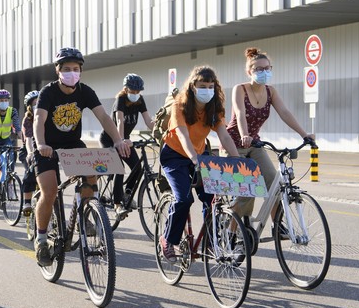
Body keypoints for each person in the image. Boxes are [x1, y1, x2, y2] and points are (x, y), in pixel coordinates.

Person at [33, 47, 130, 266]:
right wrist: (41, 144)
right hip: (47, 147)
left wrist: (117, 140)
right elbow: (39, 119)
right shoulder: (48, 92)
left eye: (75, 69)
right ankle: (40, 241)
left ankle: (85, 214)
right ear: (58, 71)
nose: (71, 73)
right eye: (66, 69)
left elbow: (104, 117)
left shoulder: (85, 91)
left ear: (81, 71)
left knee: (91, 177)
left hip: (73, 144)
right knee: (49, 192)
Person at [220, 47, 314, 222]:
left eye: (267, 68)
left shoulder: (271, 92)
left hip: (254, 144)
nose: (263, 72)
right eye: (258, 69)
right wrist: (244, 135)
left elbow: (285, 113)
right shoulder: (240, 89)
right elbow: (240, 113)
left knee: (274, 184)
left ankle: (278, 225)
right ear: (249, 71)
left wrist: (304, 134)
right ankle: (233, 232)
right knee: (247, 191)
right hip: (234, 143)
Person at [159, 65, 240, 262]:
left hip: (200, 154)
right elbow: (183, 136)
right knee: (184, 198)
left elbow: (224, 136)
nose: (207, 90)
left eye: (211, 86)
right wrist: (195, 160)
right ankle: (168, 239)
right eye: (203, 85)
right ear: (193, 87)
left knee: (212, 199)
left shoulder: (214, 108)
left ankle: (211, 242)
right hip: (175, 155)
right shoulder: (180, 106)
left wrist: (237, 159)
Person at [99, 73, 154, 215]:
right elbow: (119, 121)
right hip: (110, 139)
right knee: (119, 168)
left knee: (137, 167)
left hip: (125, 139)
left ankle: (127, 193)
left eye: (137, 91)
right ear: (126, 89)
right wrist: (120, 141)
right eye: (132, 91)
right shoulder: (120, 99)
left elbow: (148, 121)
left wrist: (160, 132)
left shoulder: (140, 100)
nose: (135, 94)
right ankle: (118, 206)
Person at [20, 90, 40, 214]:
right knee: (31, 172)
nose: (37, 104)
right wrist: (30, 153)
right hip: (29, 149)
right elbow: (28, 139)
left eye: (39, 101)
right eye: (34, 102)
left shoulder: (48, 115)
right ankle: (27, 203)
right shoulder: (28, 119)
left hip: (44, 148)